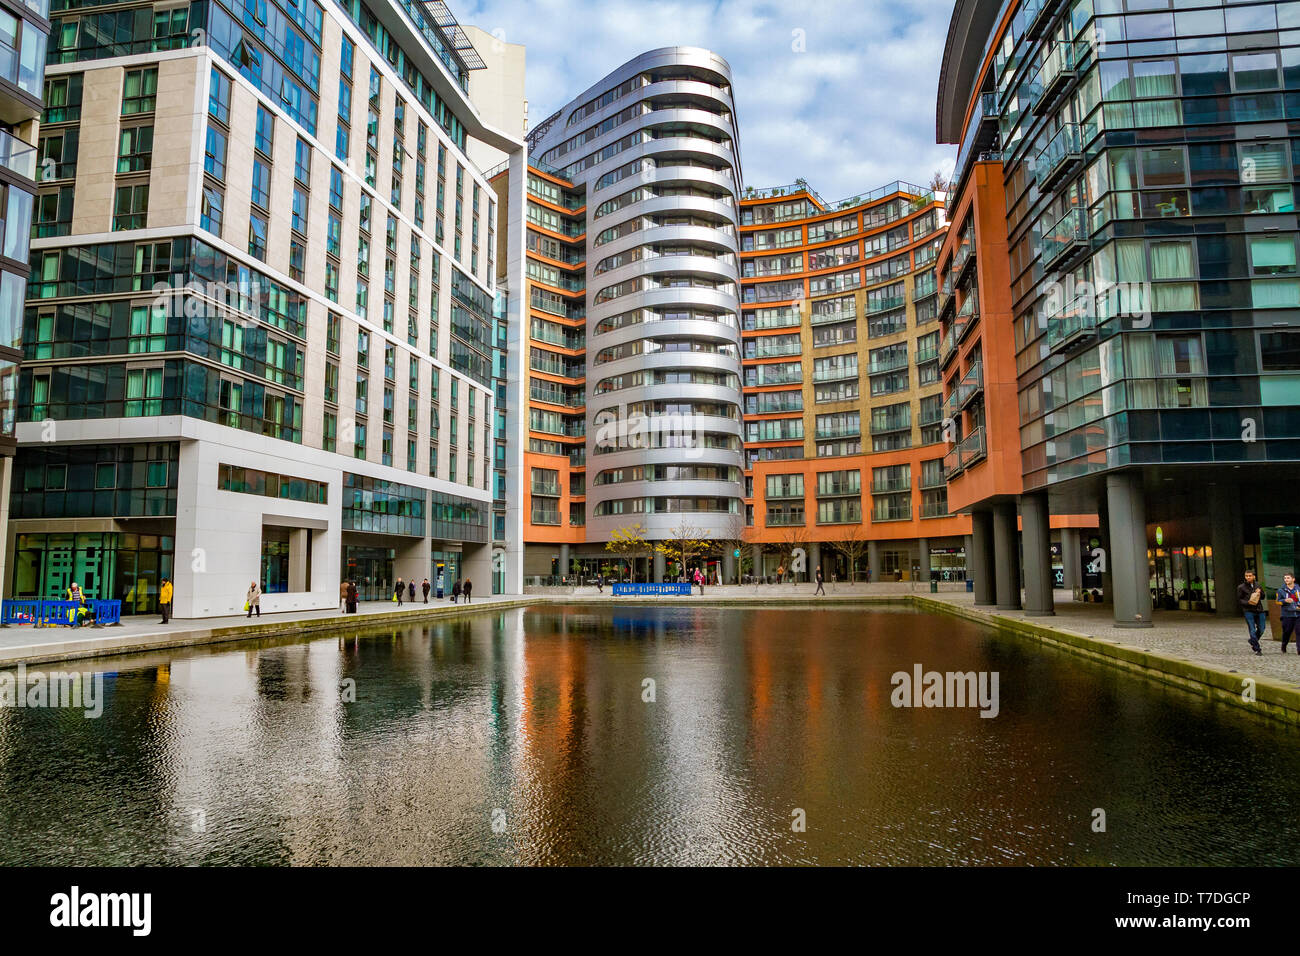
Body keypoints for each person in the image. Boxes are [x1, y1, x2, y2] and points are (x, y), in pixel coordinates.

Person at [1237, 570, 1266, 655]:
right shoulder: (1241, 587)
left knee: (1261, 629)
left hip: (1259, 610)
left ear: (1254, 576)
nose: (1248, 577)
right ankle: (1257, 649)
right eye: (1246, 576)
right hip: (1248, 611)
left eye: (1250, 576)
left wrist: (1260, 592)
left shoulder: (1258, 585)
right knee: (1252, 629)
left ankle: (1252, 640)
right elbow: (1239, 600)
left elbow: (1263, 597)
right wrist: (1247, 602)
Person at [1277, 572, 1299, 653]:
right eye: (1285, 578)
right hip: (1287, 614)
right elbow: (1277, 601)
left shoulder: (1298, 589)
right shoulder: (1281, 590)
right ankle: (1284, 644)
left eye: (1288, 578)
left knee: (1299, 631)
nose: (1286, 579)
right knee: (1287, 632)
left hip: (1298, 613)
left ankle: (1299, 649)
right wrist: (1284, 600)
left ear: (1293, 579)